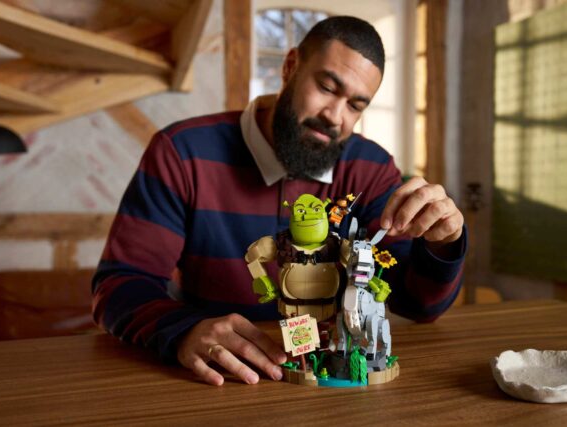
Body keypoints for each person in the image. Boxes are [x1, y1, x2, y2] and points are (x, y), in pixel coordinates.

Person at [92, 16, 466, 387]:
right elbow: (119, 284)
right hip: (218, 381)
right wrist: (184, 330)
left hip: (327, 384)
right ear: (289, 67)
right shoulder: (182, 152)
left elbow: (418, 305)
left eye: (355, 106)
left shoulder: (371, 169)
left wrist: (443, 243)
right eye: (326, 87)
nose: (334, 116)